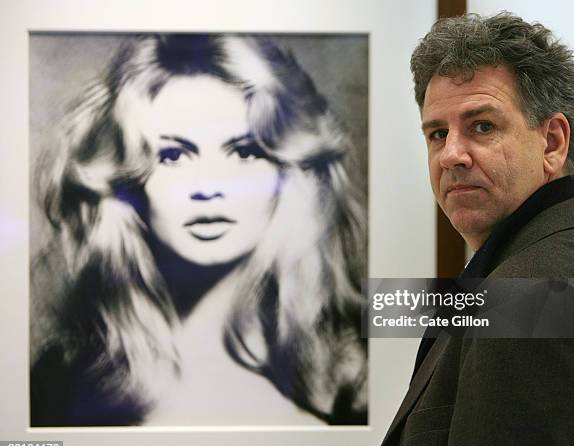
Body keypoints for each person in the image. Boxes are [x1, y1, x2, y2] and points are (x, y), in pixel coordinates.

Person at [30, 34, 367, 426]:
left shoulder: (355, 377)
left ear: (287, 173)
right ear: (126, 181)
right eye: (173, 155)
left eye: (245, 152)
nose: (209, 186)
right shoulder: (57, 385)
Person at [375, 12, 574, 446]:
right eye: (437, 133)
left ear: (553, 143)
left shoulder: (530, 295)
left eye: (482, 126)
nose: (451, 155)